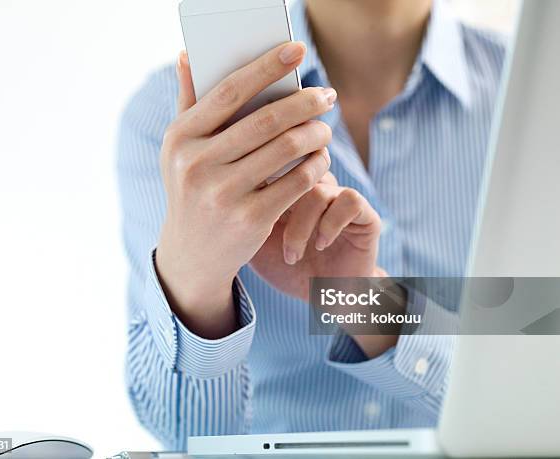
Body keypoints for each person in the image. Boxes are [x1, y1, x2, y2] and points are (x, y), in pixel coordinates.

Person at [118, 0, 505, 450]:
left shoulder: (538, 94)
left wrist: (365, 303)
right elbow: (184, 433)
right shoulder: (174, 126)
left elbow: (539, 375)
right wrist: (197, 281)